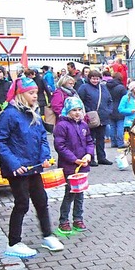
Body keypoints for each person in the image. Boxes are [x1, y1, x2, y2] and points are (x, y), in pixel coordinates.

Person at [0, 77, 64, 258]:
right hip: (18, 169)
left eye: (36, 92)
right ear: (20, 94)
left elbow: (43, 136)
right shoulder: (9, 115)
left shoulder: (33, 113)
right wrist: (14, 163)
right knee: (22, 203)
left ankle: (47, 235)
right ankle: (13, 242)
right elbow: (0, 141)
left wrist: (44, 155)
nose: (35, 96)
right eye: (31, 93)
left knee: (41, 201)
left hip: (34, 167)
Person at [53, 97, 94, 234]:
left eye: (79, 110)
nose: (77, 113)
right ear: (68, 111)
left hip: (82, 165)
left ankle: (78, 218)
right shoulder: (62, 125)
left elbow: (89, 141)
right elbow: (60, 146)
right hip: (70, 166)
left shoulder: (83, 125)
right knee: (70, 193)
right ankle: (63, 220)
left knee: (80, 193)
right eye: (74, 110)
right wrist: (74, 159)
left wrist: (89, 154)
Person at [77, 70, 114, 166]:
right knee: (90, 139)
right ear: (89, 78)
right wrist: (88, 111)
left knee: (101, 139)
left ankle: (102, 157)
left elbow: (110, 100)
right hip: (91, 117)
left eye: (97, 78)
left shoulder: (103, 87)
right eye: (93, 78)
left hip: (103, 117)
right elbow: (80, 101)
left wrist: (109, 110)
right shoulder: (84, 87)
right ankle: (91, 158)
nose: (95, 80)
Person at [105, 72, 128, 148]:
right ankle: (120, 143)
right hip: (119, 108)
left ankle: (113, 142)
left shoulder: (106, 86)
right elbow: (126, 98)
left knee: (112, 126)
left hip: (110, 108)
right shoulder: (121, 88)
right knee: (120, 127)